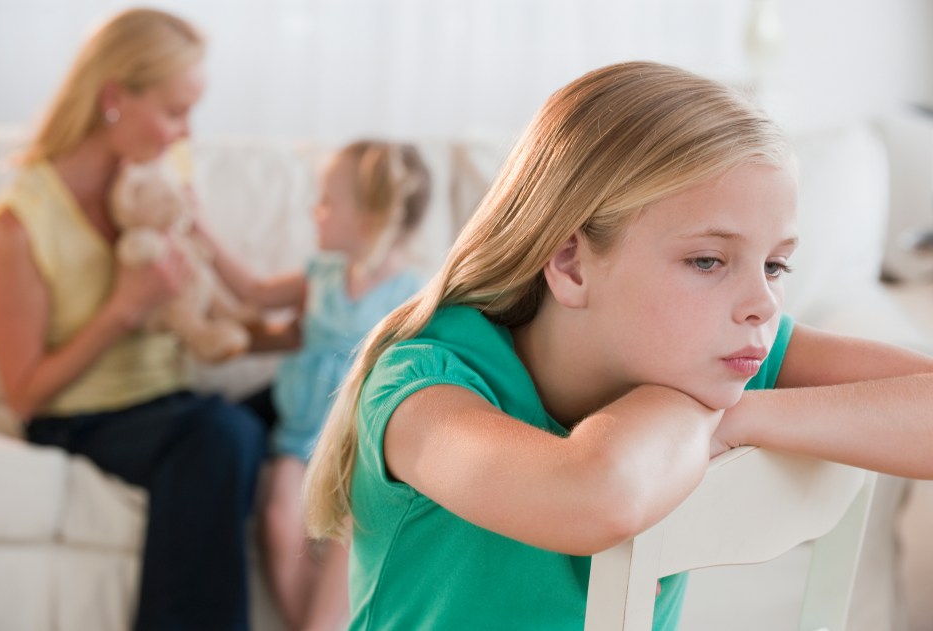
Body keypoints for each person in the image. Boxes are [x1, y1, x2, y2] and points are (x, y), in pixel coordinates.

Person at [300, 61, 933, 630]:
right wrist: (696, 416)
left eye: (774, 266)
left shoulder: (715, 362)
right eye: (709, 260)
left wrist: (744, 418)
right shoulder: (421, 386)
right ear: (571, 263)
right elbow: (595, 495)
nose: (762, 303)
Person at [0, 8, 265, 630]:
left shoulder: (162, 180)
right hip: (81, 421)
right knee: (222, 436)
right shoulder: (19, 223)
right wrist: (124, 309)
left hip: (173, 406)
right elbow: (27, 392)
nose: (184, 133)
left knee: (311, 407)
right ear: (114, 98)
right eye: (174, 111)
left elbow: (227, 287)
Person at [194, 140, 431, 630]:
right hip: (299, 439)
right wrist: (199, 231)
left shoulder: (413, 295)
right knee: (280, 522)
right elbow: (255, 295)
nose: (314, 211)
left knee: (352, 533)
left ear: (367, 219)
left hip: (358, 449)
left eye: (326, 202)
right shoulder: (321, 275)